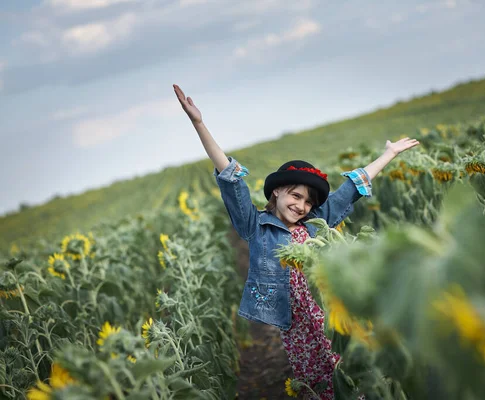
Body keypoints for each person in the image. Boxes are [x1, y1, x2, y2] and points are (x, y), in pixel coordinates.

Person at [174, 84, 419, 399]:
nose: (301, 206)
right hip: (295, 326)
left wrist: (389, 154)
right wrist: (198, 123)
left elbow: (352, 189)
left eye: (307, 201)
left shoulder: (316, 224)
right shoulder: (257, 227)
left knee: (349, 374)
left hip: (331, 314)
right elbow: (230, 178)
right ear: (277, 191)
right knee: (316, 383)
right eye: (295, 195)